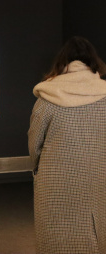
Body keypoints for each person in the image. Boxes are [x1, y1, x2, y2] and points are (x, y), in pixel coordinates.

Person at [28, 36, 106, 253]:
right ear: (93, 61)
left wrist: (36, 167)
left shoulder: (47, 97)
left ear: (62, 63)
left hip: (56, 180)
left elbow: (34, 144)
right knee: (97, 232)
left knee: (57, 236)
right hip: (99, 175)